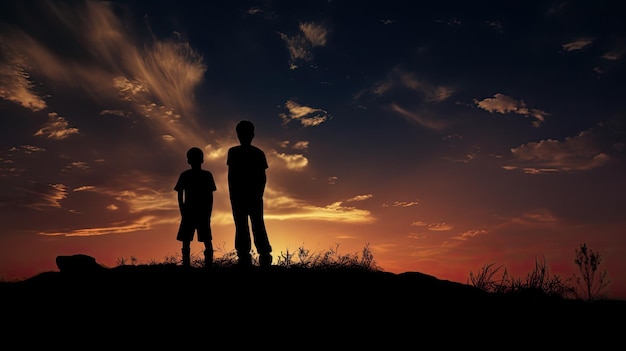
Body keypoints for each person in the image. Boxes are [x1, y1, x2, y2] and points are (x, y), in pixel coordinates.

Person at [227, 120, 272, 267]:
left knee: (254, 225)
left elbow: (262, 177)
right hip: (245, 196)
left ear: (251, 135)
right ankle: (246, 256)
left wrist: (258, 194)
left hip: (250, 196)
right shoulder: (236, 152)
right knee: (245, 225)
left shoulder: (256, 153)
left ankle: (262, 255)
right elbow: (232, 176)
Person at [174, 147, 217, 268]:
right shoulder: (191, 175)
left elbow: (179, 194)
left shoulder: (201, 175)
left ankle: (201, 265)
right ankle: (202, 265)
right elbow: (180, 193)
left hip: (195, 212)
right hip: (194, 212)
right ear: (202, 159)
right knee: (195, 240)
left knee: (197, 241)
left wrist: (182, 209)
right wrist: (183, 209)